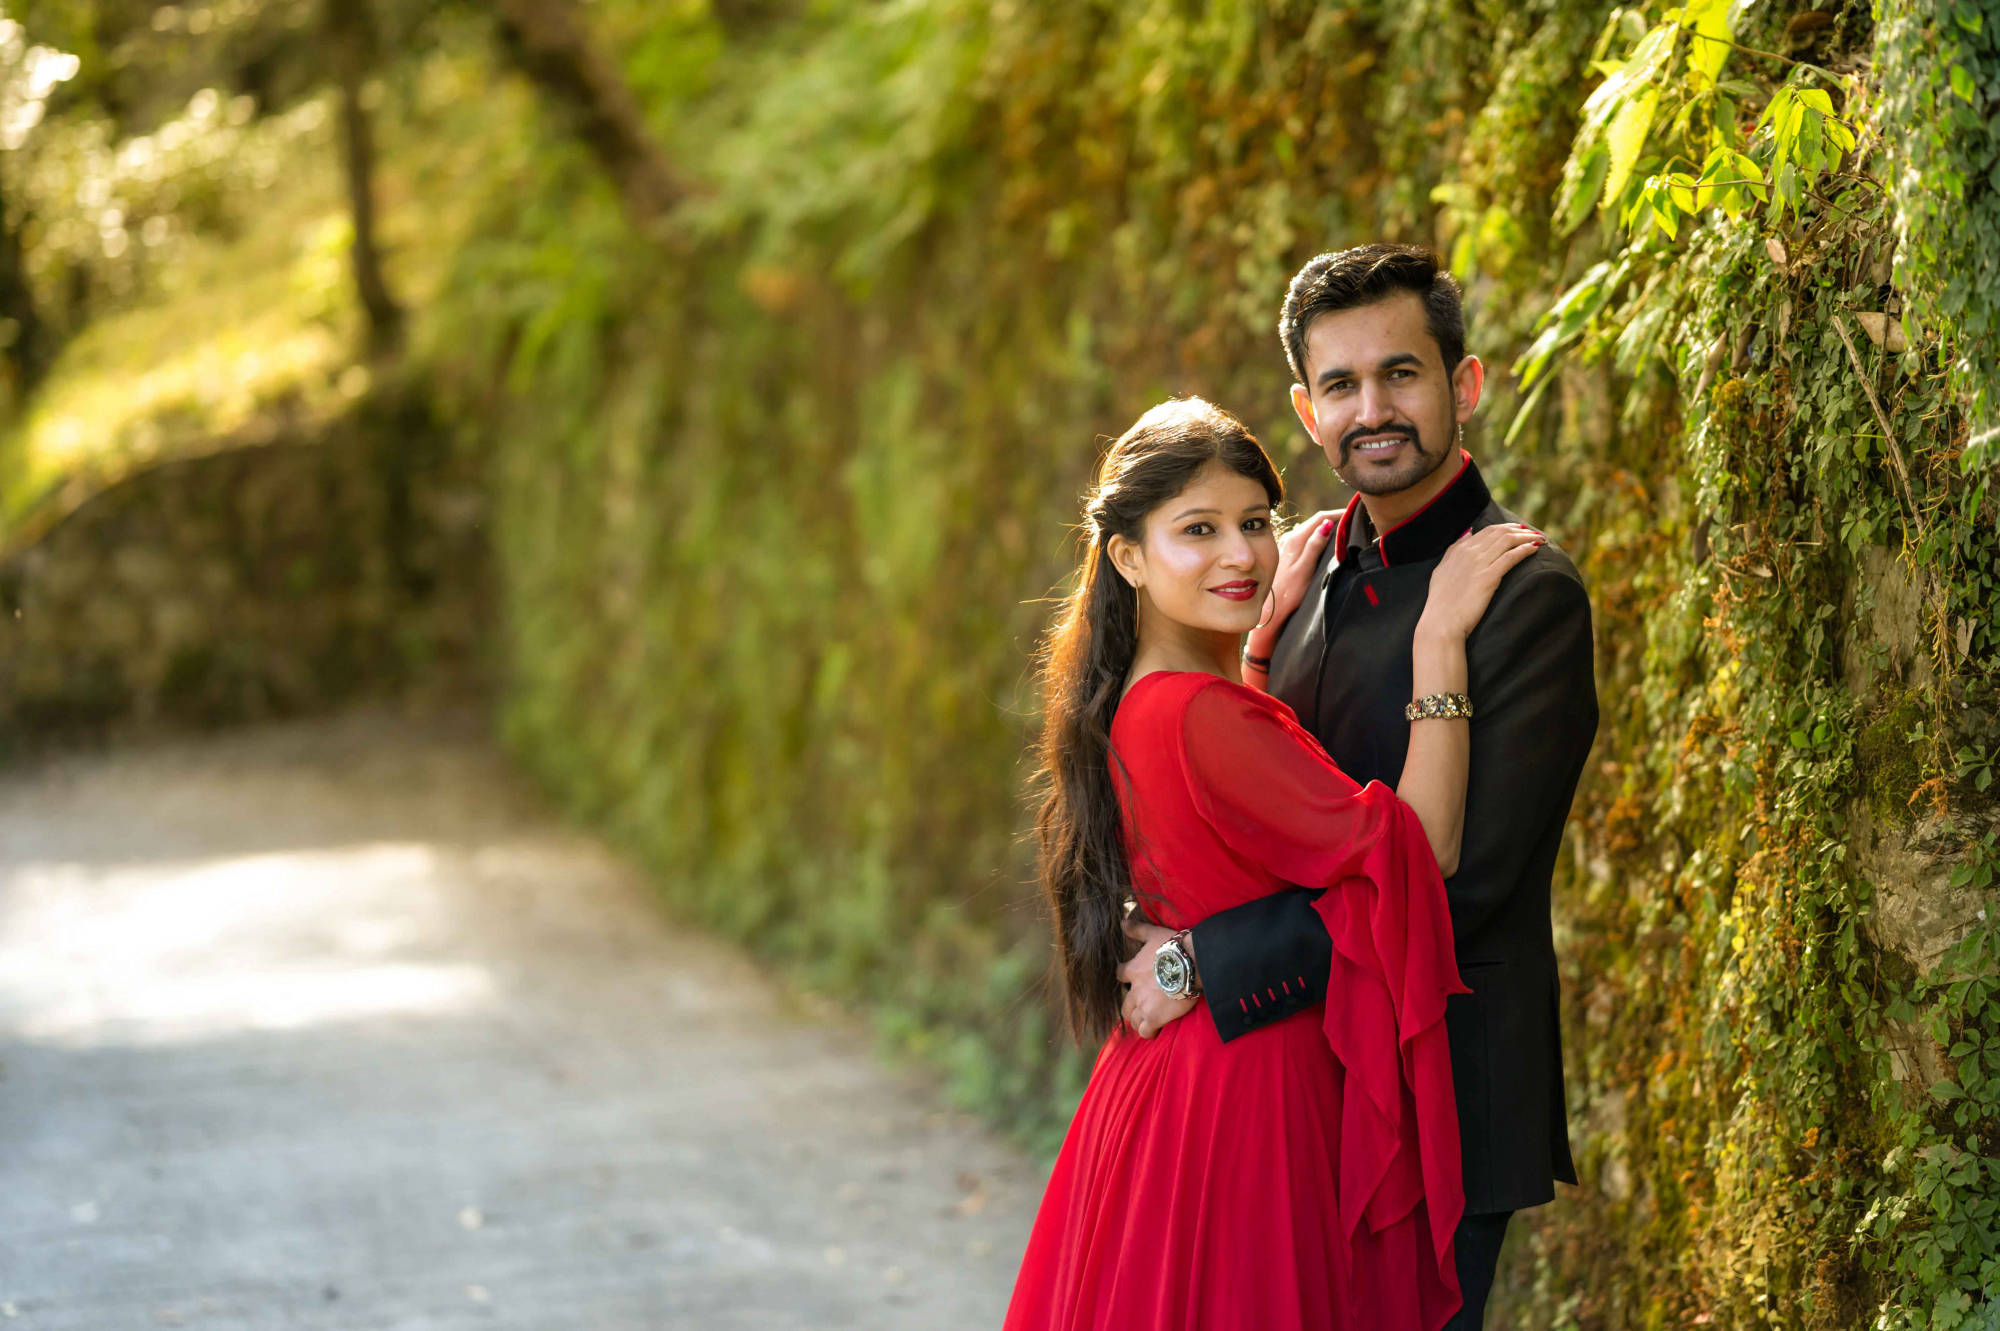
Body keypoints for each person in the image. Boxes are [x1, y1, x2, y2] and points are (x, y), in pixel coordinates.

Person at [1118, 245, 1601, 1330]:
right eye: (1340, 384)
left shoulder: (1521, 592)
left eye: (1401, 374)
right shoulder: (1293, 575)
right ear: (1306, 409)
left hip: (1445, 1086)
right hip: (1297, 1083)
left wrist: (1207, 962)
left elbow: (1456, 882)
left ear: (1463, 385)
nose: (1371, 409)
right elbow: (1243, 801)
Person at [1003, 394, 1544, 1330]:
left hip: (1176, 1081)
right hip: (1246, 1096)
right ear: (1128, 556)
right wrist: (1439, 642)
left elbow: (1236, 839)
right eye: (1199, 530)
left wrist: (1253, 657)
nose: (1242, 554)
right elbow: (1422, 848)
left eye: (1255, 522)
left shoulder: (1140, 698)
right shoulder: (1203, 715)